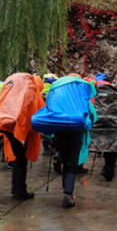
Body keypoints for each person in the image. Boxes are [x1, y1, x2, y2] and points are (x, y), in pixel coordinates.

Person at [0, 73, 45, 201]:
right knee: (21, 159)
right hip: (18, 128)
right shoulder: (32, 90)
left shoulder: (16, 89)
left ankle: (16, 188)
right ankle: (20, 191)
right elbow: (36, 113)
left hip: (9, 126)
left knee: (18, 158)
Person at [32, 76, 96, 208]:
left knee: (64, 161)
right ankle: (68, 194)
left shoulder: (57, 99)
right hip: (76, 135)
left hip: (60, 134)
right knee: (71, 165)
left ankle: (60, 165)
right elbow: (92, 117)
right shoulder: (83, 101)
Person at [90, 81, 117, 181]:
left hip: (97, 125)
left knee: (102, 145)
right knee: (112, 148)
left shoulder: (96, 99)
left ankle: (107, 167)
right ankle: (108, 168)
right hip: (114, 126)